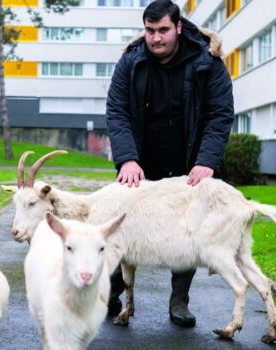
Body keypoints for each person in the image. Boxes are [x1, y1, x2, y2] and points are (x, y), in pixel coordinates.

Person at [105, 0, 234, 328]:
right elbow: (117, 110)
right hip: (140, 163)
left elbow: (220, 115)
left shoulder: (208, 61)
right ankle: (111, 291)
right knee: (122, 228)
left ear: (178, 27)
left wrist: (206, 162)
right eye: (150, 30)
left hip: (190, 162)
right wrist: (127, 159)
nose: (156, 38)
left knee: (187, 230)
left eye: (163, 30)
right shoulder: (131, 60)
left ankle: (179, 301)